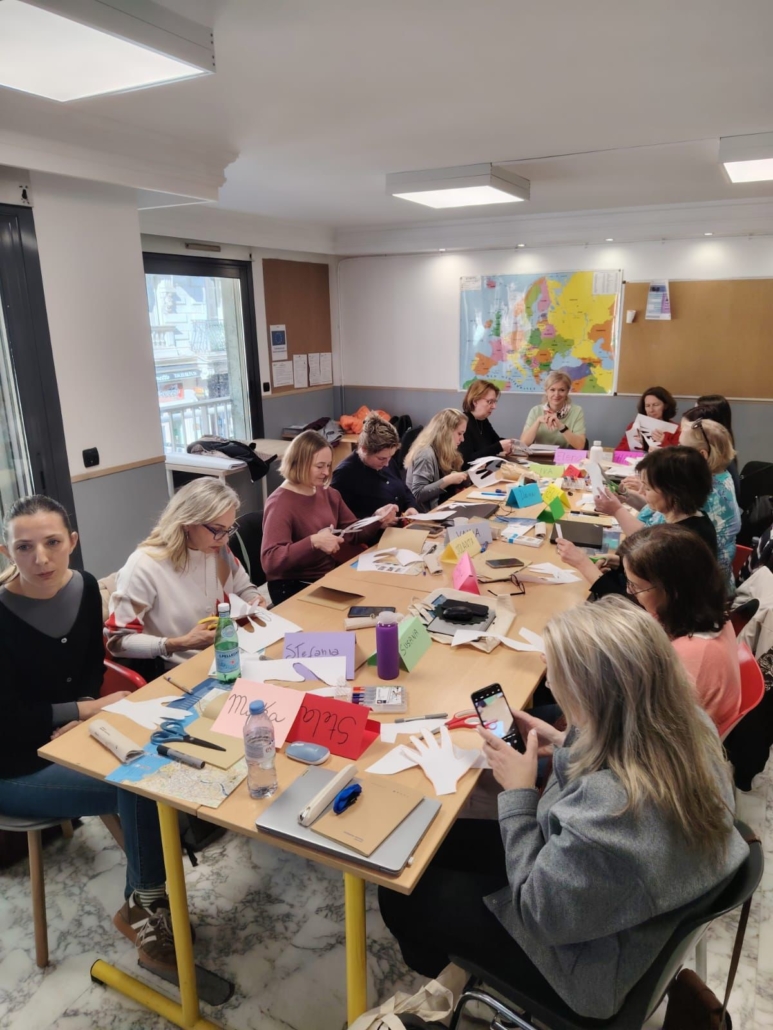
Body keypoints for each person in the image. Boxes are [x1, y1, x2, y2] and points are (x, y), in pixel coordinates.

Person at [378, 596, 747, 1021]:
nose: (550, 685)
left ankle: (457, 976)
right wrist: (561, 741)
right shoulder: (688, 725)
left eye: (556, 678)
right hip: (615, 902)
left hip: (587, 966)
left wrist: (518, 792)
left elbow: (539, 914)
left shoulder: (611, 813)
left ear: (593, 699)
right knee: (435, 843)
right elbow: (614, 765)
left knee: (402, 894)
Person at [0, 495, 178, 976]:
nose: (40, 558)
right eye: (24, 547)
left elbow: (89, 668)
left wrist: (79, 711)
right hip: (14, 765)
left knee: (158, 761)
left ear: (72, 542)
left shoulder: (83, 588)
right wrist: (86, 709)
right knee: (139, 786)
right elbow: (7, 719)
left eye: (52, 543)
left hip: (70, 739)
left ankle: (147, 894)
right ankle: (146, 907)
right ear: (6, 552)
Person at [107, 478, 265, 672]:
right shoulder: (145, 566)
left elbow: (243, 587)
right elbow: (118, 643)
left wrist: (254, 599)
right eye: (217, 530)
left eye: (229, 530)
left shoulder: (217, 549)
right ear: (187, 522)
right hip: (178, 669)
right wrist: (180, 643)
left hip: (226, 656)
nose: (224, 540)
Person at [619, 526, 742, 731]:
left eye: (636, 586)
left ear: (672, 591)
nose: (629, 591)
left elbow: (653, 727)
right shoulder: (706, 611)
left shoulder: (693, 654)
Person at [261, 429, 392, 603]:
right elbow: (270, 561)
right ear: (299, 463)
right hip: (293, 585)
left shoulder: (328, 493)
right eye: (319, 466)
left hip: (325, 576)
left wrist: (377, 519)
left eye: (328, 465)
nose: (326, 472)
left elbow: (353, 533)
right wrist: (313, 542)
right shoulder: (280, 503)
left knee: (382, 594)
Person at [594, 445, 717, 554]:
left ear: (674, 493)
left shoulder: (679, 539)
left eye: (648, 488)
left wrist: (616, 510)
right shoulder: (687, 517)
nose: (641, 491)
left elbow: (642, 544)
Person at [331, 413, 419, 519]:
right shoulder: (343, 475)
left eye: (390, 456)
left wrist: (411, 506)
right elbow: (339, 519)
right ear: (364, 449)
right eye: (381, 459)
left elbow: (403, 489)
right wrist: (375, 520)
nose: (387, 463)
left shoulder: (387, 460)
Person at [404, 409, 469, 511]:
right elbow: (417, 494)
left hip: (445, 506)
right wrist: (448, 480)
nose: (462, 439)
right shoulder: (425, 454)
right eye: (459, 434)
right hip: (427, 514)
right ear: (446, 433)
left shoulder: (444, 450)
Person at [520, 371, 586, 449]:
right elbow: (523, 444)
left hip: (564, 455)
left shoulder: (576, 411)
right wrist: (537, 422)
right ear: (546, 391)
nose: (556, 394)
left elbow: (580, 446)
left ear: (567, 392)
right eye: (552, 390)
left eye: (562, 390)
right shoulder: (535, 411)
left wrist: (561, 426)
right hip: (539, 455)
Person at [459, 380, 516, 466]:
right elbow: (467, 461)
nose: (494, 407)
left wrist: (510, 443)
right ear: (475, 401)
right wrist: (499, 446)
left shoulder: (483, 420)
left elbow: (495, 441)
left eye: (494, 402)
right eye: (490, 402)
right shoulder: (462, 423)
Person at [613, 385, 677, 451]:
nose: (651, 410)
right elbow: (617, 452)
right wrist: (630, 444)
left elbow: (679, 455)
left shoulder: (676, 429)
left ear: (665, 406)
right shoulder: (634, 425)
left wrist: (664, 442)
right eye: (647, 406)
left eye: (655, 405)